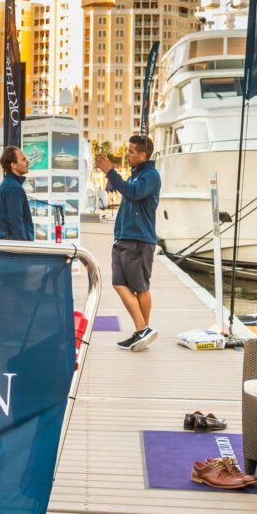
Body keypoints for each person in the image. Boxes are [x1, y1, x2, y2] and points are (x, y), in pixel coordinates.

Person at [97, 134, 160, 351]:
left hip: (139, 240)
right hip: (124, 238)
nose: (127, 154)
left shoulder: (150, 176)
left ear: (143, 155)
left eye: (131, 151)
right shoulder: (136, 175)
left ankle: (142, 331)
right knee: (118, 283)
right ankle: (142, 330)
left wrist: (110, 172)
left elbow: (133, 194)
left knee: (140, 288)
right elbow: (128, 191)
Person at [0, 145, 33, 241]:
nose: (27, 161)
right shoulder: (14, 188)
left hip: (8, 243)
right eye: (23, 159)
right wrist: (23, 246)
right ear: (13, 165)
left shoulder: (7, 184)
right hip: (14, 245)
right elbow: (16, 221)